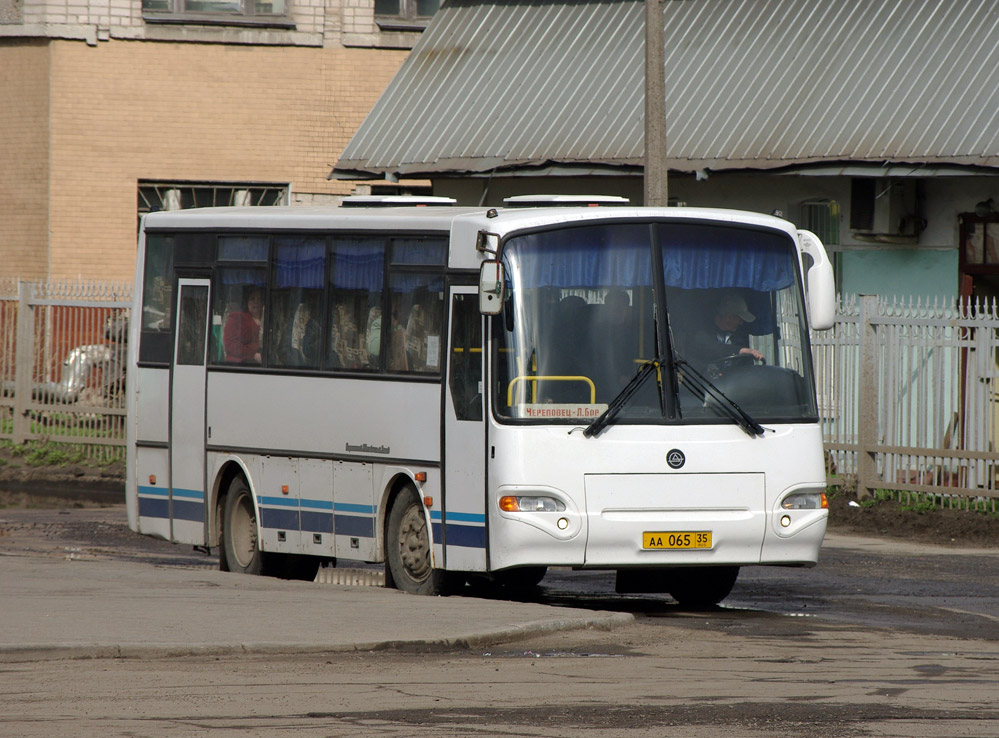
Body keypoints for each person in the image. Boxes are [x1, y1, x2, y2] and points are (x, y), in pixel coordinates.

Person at [684, 292, 764, 372]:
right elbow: (711, 348)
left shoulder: (739, 336)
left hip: (733, 382)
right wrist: (740, 350)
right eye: (739, 319)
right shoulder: (700, 331)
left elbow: (745, 365)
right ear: (729, 317)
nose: (741, 323)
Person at [223, 286, 264, 364]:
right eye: (252, 299)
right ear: (247, 302)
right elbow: (231, 346)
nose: (256, 302)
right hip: (239, 366)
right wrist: (253, 355)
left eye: (259, 299)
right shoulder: (237, 318)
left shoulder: (268, 321)